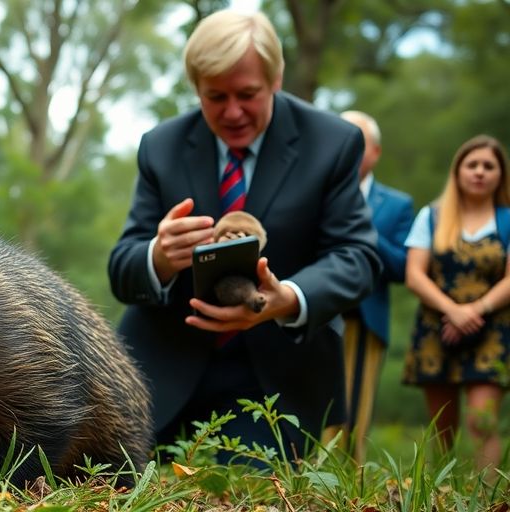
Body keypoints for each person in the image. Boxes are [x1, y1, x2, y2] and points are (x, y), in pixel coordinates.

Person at [107, 8, 381, 463]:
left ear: (276, 78)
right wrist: (159, 256)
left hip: (277, 383)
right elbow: (122, 267)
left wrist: (288, 298)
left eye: (248, 94)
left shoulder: (332, 142)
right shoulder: (161, 145)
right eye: (215, 97)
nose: (232, 112)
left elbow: (357, 257)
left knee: (244, 489)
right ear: (196, 88)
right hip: (157, 377)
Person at [403, 134, 510, 472]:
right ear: (458, 171)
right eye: (472, 164)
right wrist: (453, 310)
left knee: (483, 422)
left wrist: (474, 310)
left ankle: (490, 500)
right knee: (442, 426)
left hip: (493, 331)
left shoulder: (507, 219)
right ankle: (441, 495)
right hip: (438, 330)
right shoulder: (431, 217)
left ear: (500, 174)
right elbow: (415, 275)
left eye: (489, 166)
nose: (480, 172)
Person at [337, 110, 415, 464]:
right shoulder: (315, 194)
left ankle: (348, 487)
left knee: (354, 409)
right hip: (313, 317)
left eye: (358, 143)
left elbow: (402, 267)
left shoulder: (397, 204)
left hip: (364, 321)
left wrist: (363, 226)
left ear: (376, 152)